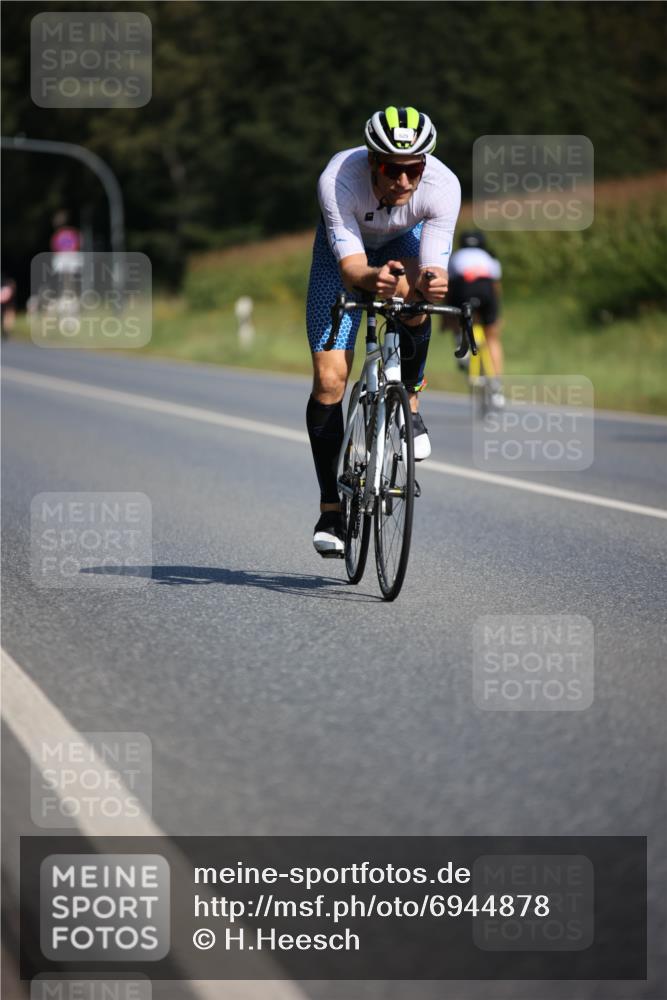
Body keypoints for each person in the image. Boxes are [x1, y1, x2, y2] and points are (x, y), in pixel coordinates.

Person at [306, 106, 461, 556]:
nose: (405, 182)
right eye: (394, 170)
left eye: (414, 170)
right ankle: (331, 508)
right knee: (330, 380)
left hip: (400, 242)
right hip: (342, 258)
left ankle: (409, 399)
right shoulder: (338, 179)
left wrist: (431, 284)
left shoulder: (443, 186)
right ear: (373, 161)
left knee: (418, 301)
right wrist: (371, 278)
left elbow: (432, 267)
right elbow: (353, 267)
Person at [446, 230, 505, 408]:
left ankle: (460, 341)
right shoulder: (490, 258)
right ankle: (496, 386)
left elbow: (448, 287)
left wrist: (447, 320)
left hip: (462, 288)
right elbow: (496, 288)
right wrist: (496, 318)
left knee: (458, 316)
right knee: (492, 337)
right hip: (486, 289)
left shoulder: (455, 257)